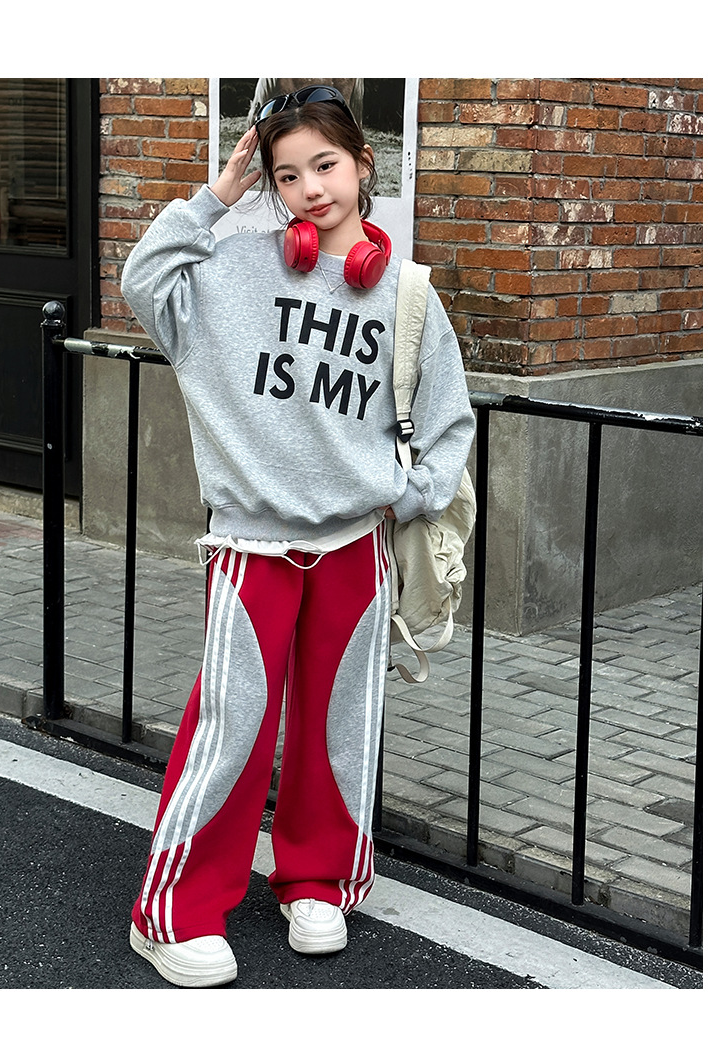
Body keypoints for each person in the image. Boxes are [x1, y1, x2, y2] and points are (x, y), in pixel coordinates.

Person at [121, 84, 475, 988]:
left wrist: (404, 493)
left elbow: (449, 422)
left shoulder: (406, 295)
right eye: (288, 175)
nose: (311, 187)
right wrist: (219, 195)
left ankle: (318, 880)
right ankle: (173, 911)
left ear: (363, 164)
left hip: (356, 545)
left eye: (326, 165)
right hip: (252, 545)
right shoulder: (233, 269)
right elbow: (142, 282)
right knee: (233, 726)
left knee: (340, 726)